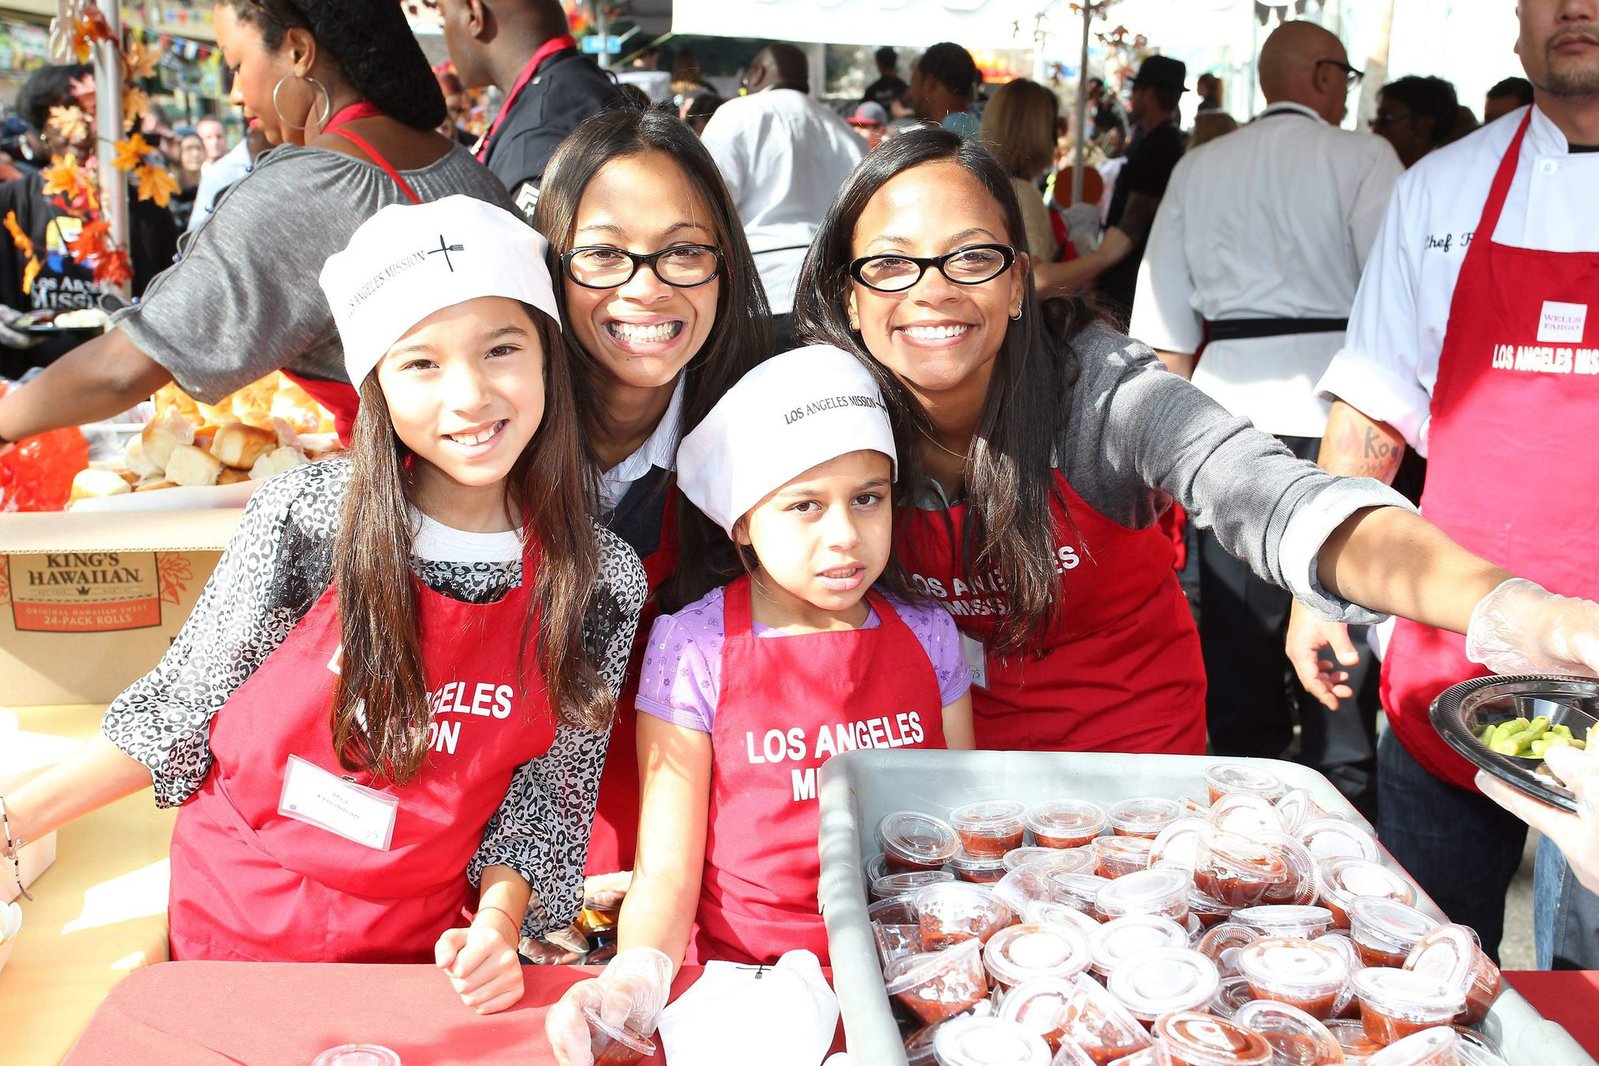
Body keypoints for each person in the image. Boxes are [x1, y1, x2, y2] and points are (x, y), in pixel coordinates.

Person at [0, 195, 645, 1000]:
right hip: (240, 918)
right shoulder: (307, 521)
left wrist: (497, 927)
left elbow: (546, 797)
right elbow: (176, 713)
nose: (470, 396)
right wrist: (10, 826)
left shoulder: (598, 582)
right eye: (421, 363)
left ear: (549, 356)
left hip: (422, 945)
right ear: (375, 383)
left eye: (501, 349)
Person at [790, 125, 1599, 766]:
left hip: (1129, 755)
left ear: (1016, 286)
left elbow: (1279, 500)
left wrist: (1517, 613)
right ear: (850, 297)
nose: (932, 289)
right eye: (890, 264)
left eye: (971, 256)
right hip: (936, 754)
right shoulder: (819, 414)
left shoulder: (1100, 394)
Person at [544, 346, 974, 1062]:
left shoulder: (929, 636)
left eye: (867, 497)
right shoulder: (693, 648)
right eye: (804, 505)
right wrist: (636, 978)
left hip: (908, 975)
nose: (844, 534)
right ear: (741, 522)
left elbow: (957, 829)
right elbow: (667, 869)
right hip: (747, 987)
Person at [1290, 0, 1599, 966]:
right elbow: (1376, 403)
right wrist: (1318, 591)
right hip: (1446, 660)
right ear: (1516, 20)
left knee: (1583, 995)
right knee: (1422, 971)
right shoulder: (1443, 189)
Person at [0, 0, 509, 449]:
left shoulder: (306, 189)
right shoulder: (460, 164)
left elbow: (120, 371)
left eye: (238, 65)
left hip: (408, 511)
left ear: (297, 51)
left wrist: (7, 419)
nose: (237, 94)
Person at [1131, 21, 1402, 816]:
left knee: (1239, 648)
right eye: (1344, 76)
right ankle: (1344, 812)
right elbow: (1394, 307)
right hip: (1347, 416)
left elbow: (1164, 333)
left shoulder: (1201, 165)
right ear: (1321, 77)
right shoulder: (1363, 158)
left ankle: (1247, 826)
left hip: (1221, 428)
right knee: (1340, 639)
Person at [532, 106, 772, 914]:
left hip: (708, 838)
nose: (646, 285)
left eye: (682, 251)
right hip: (503, 845)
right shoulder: (490, 429)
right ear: (553, 266)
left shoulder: (766, 428)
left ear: (725, 264)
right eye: (603, 253)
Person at [0, 63, 178, 379]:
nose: (83, 133)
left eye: (94, 116)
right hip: (31, 381)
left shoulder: (148, 212)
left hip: (118, 382)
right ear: (44, 125)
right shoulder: (10, 202)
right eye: (67, 116)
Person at [700, 43, 862, 352]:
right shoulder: (842, 130)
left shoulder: (737, 115)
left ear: (756, 72)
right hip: (830, 298)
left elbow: (708, 207)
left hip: (760, 293)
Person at [438, 0, 625, 218]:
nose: (446, 35)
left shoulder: (540, 129)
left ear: (474, 15)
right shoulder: (572, 83)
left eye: (444, 20)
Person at [979, 78, 1132, 296]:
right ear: (1039, 131)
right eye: (1055, 127)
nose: (1057, 138)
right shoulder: (1021, 193)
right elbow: (1036, 280)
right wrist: (1103, 257)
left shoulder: (985, 184)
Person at [1095, 55, 1187, 319]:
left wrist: (1096, 269)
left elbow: (1133, 225)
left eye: (1135, 90)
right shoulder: (1154, 140)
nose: (1130, 98)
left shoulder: (1160, 146)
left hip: (1130, 278)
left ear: (1149, 94)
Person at [184, 121, 271, 236]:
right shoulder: (215, 174)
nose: (215, 142)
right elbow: (196, 232)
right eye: (208, 138)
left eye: (219, 136)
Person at [1370, 74, 1459, 168]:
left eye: (1387, 118)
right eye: (1376, 120)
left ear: (1423, 126)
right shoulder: (1380, 168)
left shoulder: (1443, 175)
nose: (1376, 129)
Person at [909, 42, 982, 139]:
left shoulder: (944, 144)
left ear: (930, 83)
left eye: (914, 83)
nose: (910, 94)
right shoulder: (977, 128)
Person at [169, 131, 208, 231]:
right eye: (188, 148)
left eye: (199, 148)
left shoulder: (208, 183)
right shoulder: (168, 187)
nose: (195, 154)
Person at [862, 45, 909, 112]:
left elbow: (863, 112)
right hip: (902, 122)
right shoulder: (904, 87)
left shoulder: (872, 90)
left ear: (879, 64)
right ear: (895, 62)